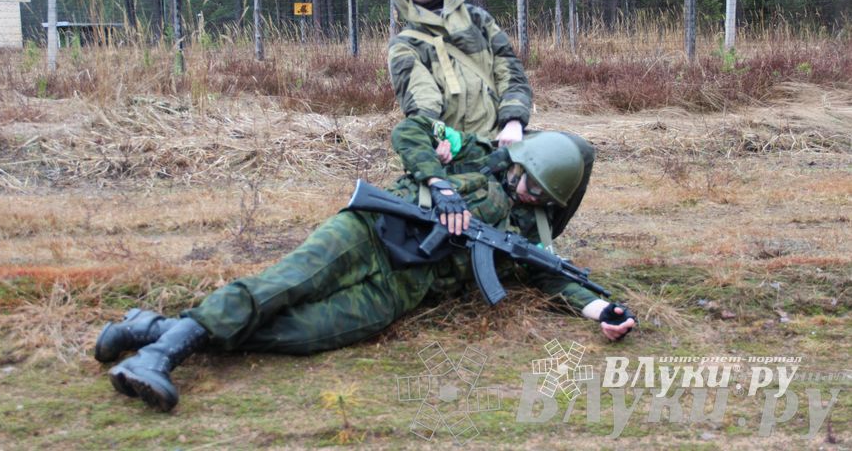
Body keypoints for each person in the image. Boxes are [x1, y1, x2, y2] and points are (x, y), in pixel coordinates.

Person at [95, 116, 636, 412]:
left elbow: (553, 276)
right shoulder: (474, 154)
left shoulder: (524, 235)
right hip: (370, 235)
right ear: (521, 163)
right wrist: (441, 185)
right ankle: (159, 356)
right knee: (281, 286)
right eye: (529, 184)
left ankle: (152, 328)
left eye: (544, 198)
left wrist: (601, 310)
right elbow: (412, 130)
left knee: (301, 333)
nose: (530, 197)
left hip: (397, 292)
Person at [385, 0, 532, 146]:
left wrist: (513, 123)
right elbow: (423, 103)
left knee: (578, 152)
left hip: (504, 136)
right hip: (458, 149)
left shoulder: (478, 20)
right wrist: (438, 142)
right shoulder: (406, 45)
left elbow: (510, 73)